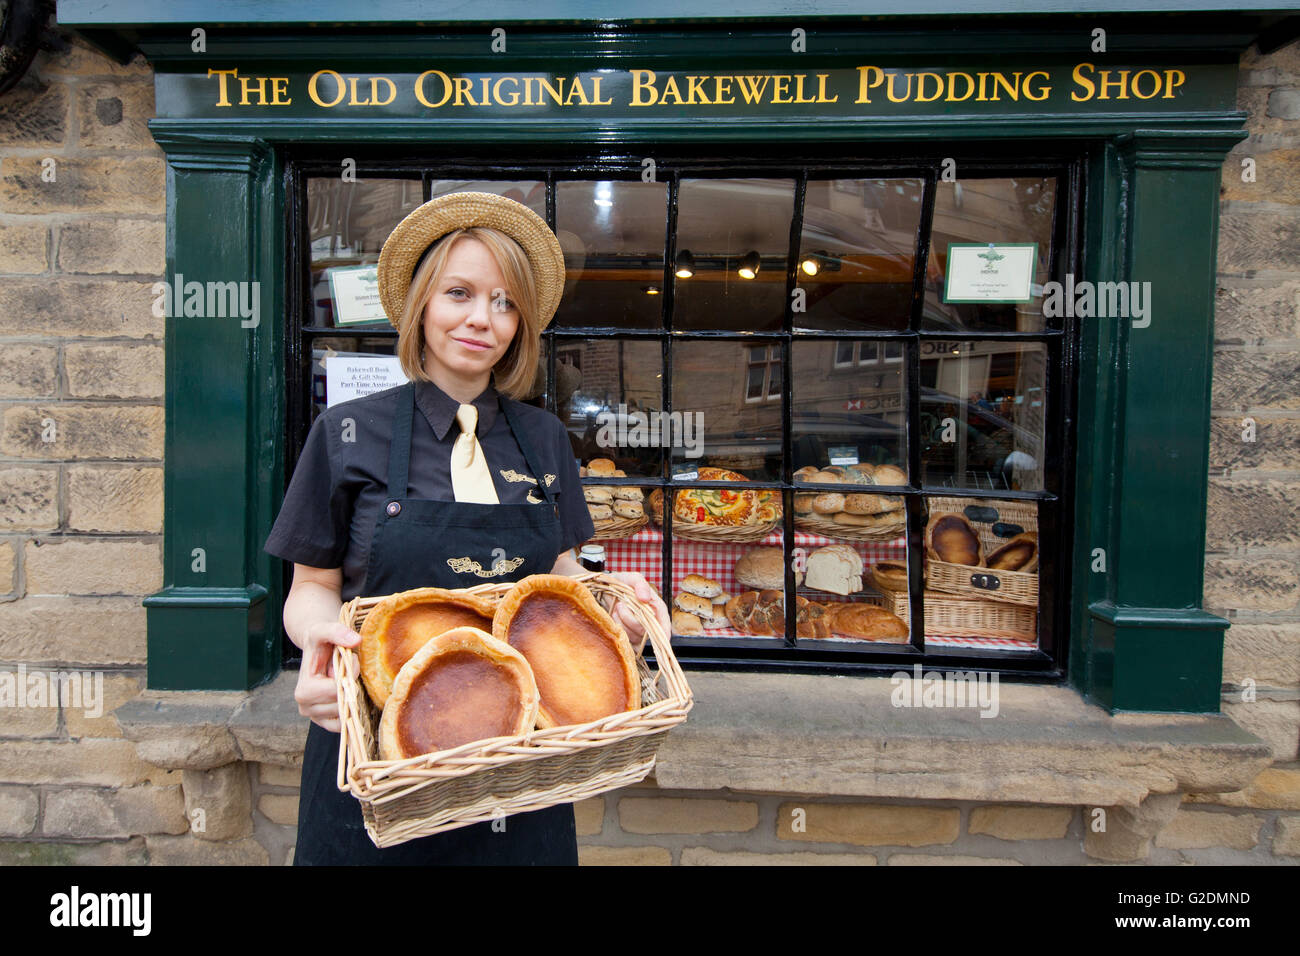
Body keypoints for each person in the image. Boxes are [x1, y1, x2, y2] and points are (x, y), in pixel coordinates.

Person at [263, 191, 671, 865]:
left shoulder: (544, 438)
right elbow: (311, 587)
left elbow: (560, 575)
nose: (483, 317)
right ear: (421, 303)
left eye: (505, 302)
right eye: (460, 293)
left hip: (522, 768)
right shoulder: (346, 432)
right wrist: (320, 647)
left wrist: (614, 606)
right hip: (378, 766)